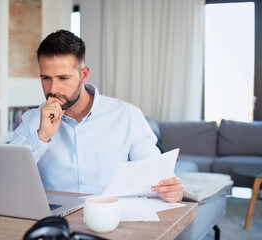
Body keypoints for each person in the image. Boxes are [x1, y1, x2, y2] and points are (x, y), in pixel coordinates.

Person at [10, 30, 183, 203]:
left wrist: (170, 190)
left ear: (83, 75)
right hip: (55, 223)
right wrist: (42, 137)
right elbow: (8, 178)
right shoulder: (32, 120)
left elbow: (157, 180)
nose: (53, 89)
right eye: (46, 78)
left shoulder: (127, 116)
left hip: (113, 220)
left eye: (63, 78)